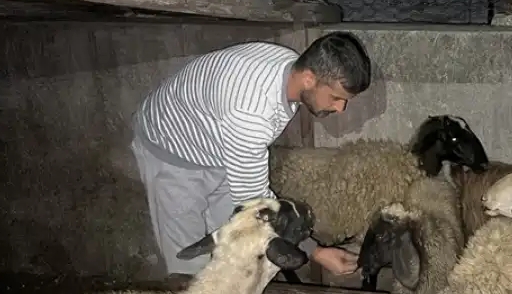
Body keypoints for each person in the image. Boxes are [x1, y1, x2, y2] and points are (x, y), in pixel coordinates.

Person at [129, 31, 372, 278]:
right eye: (335, 98)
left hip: (217, 144)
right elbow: (256, 207)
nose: (341, 109)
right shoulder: (251, 114)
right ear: (309, 78)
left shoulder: (288, 65)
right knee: (189, 266)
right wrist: (317, 252)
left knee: (237, 248)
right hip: (171, 150)